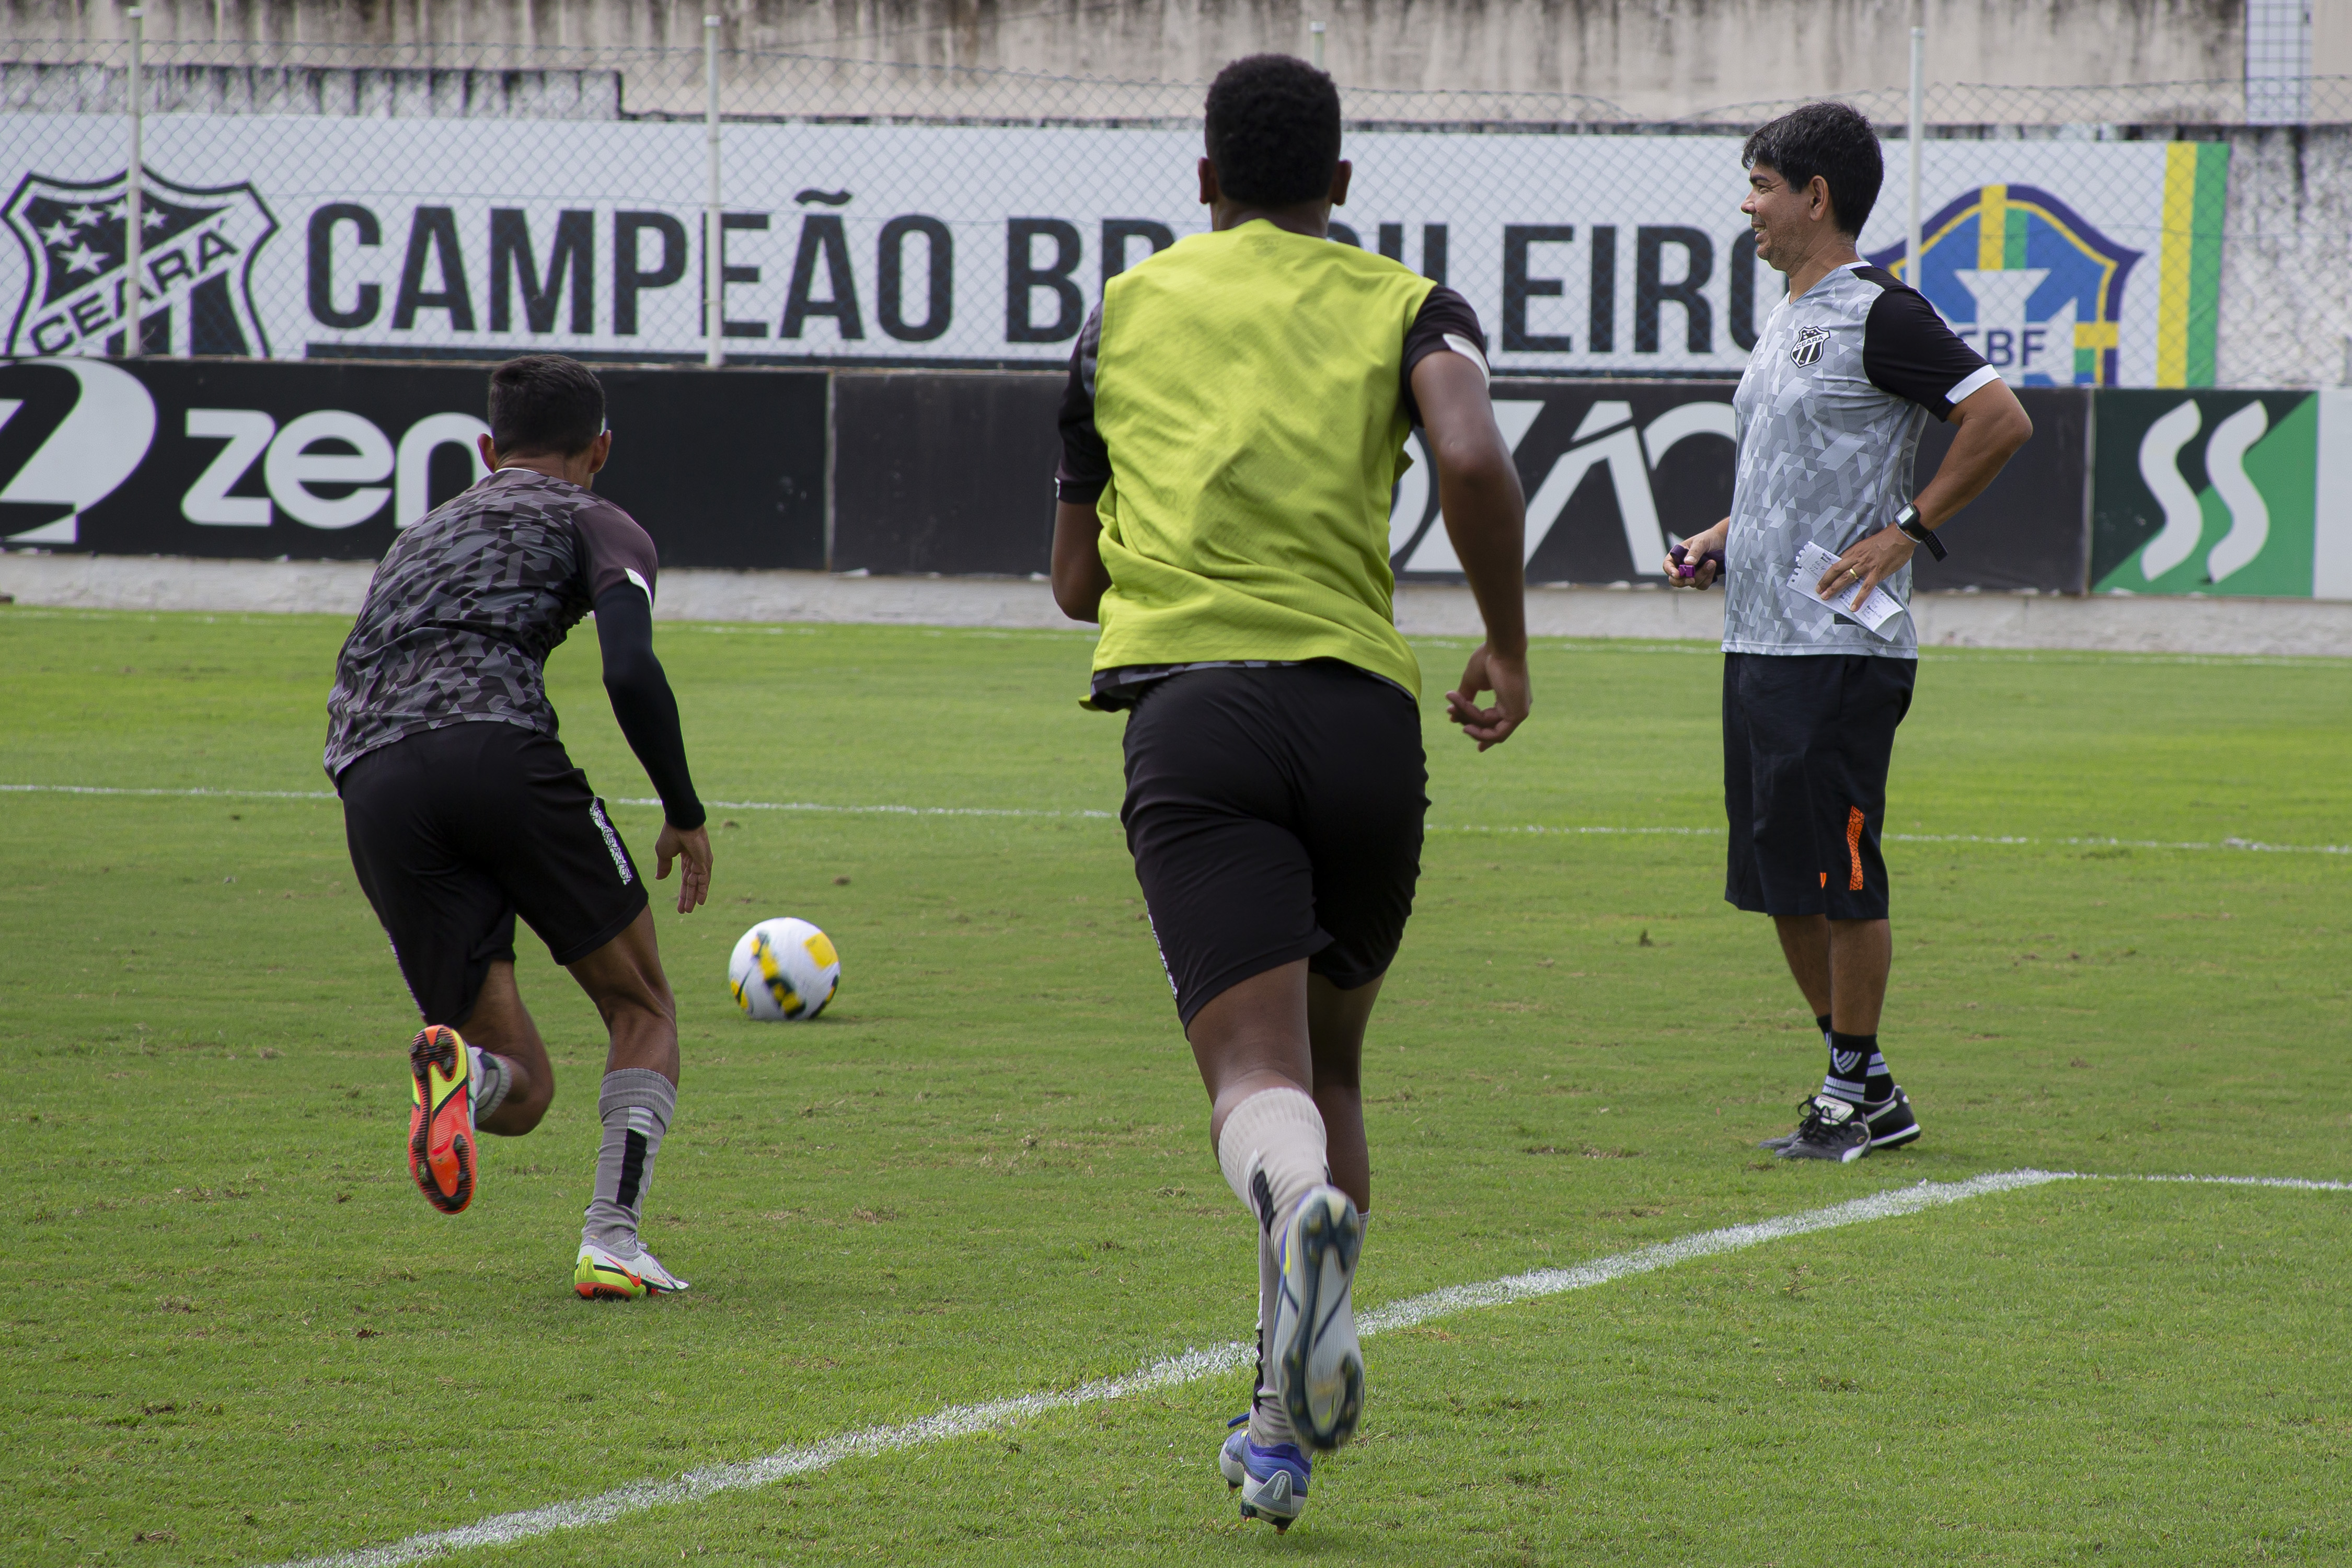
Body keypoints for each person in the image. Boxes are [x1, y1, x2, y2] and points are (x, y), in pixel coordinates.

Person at [1049, 53, 1530, 1531]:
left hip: (1195, 718)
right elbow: (1468, 453)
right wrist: (1505, 642)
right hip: (1362, 721)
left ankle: (1291, 1240)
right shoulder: (1408, 301)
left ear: (1202, 181)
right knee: (1332, 1071)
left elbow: (1074, 582)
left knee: (1254, 1089)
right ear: (1340, 184)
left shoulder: (1119, 313)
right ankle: (1277, 1425)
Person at [1665, 102, 2031, 1162]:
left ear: (1816, 197)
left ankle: (1849, 1088)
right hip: (1761, 642)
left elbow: (1998, 419)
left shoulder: (1881, 311)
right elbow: (1793, 475)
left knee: (1841, 875)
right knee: (1780, 879)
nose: (1749, 206)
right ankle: (1859, 1082)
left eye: (1764, 187)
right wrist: (1722, 536)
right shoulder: (1787, 315)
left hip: (1838, 649)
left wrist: (1906, 532)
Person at [323, 353, 713, 1299]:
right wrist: (684, 812)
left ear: (489, 449)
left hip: (369, 777)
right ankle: (613, 1239)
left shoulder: (419, 533)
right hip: (497, 753)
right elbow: (629, 671)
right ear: (602, 449)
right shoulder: (597, 517)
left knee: (523, 1089)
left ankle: (466, 1077)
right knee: (643, 1008)